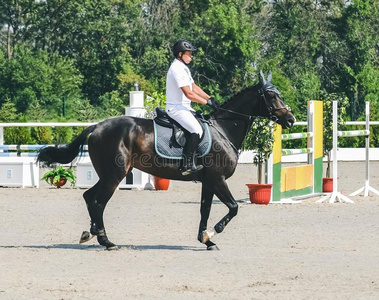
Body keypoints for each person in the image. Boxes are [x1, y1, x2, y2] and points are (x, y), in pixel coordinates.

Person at [166, 39, 219, 176]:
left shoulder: (184, 68)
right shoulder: (176, 69)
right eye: (189, 54)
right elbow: (189, 94)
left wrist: (209, 98)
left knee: (202, 125)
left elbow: (194, 87)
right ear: (180, 54)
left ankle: (197, 158)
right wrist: (206, 103)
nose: (191, 56)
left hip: (184, 108)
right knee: (196, 130)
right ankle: (186, 164)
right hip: (176, 108)